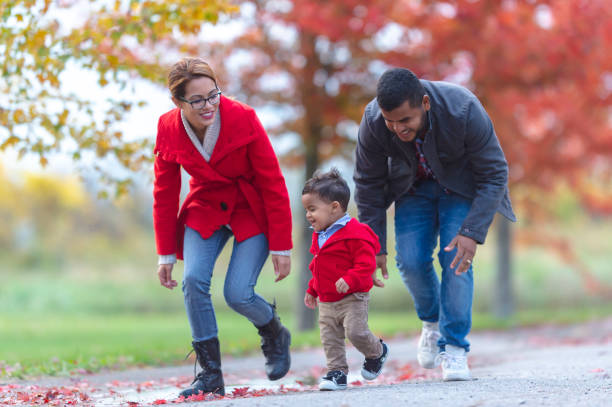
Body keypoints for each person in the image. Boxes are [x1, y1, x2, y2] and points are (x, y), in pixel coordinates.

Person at [354, 68, 516, 381]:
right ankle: (432, 321)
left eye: (405, 120)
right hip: (413, 190)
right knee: (410, 261)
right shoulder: (373, 120)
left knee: (454, 259)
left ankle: (454, 347)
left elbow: (495, 173)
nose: (397, 128)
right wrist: (373, 244)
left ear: (425, 103)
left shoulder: (463, 108)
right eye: (390, 121)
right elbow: (368, 183)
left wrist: (472, 231)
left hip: (460, 188)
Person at [153, 57, 293, 397]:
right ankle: (210, 375)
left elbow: (272, 180)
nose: (208, 105)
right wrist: (166, 253)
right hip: (205, 206)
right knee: (193, 280)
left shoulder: (242, 117)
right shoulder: (168, 127)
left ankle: (274, 331)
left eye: (213, 95)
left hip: (249, 206)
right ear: (178, 102)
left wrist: (281, 245)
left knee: (238, 294)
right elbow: (164, 192)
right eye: (197, 100)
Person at [302, 169, 389, 391]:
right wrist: (312, 289)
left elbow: (366, 264)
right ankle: (336, 373)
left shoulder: (356, 233)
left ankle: (376, 351)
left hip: (353, 297)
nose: (308, 215)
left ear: (335, 207)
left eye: (312, 209)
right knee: (330, 339)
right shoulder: (319, 234)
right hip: (327, 300)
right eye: (306, 210)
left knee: (355, 332)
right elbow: (318, 266)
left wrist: (350, 278)